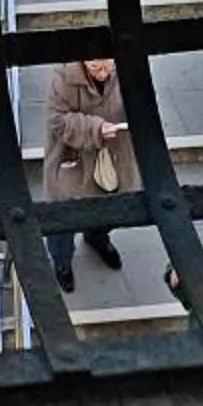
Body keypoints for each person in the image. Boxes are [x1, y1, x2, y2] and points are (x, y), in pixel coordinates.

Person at [43, 53, 134, 291]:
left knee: (109, 207)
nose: (101, 71)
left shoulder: (127, 67)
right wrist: (95, 128)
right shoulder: (63, 78)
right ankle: (62, 262)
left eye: (106, 63)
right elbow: (57, 119)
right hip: (75, 160)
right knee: (63, 219)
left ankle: (97, 237)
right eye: (94, 65)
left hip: (112, 157)